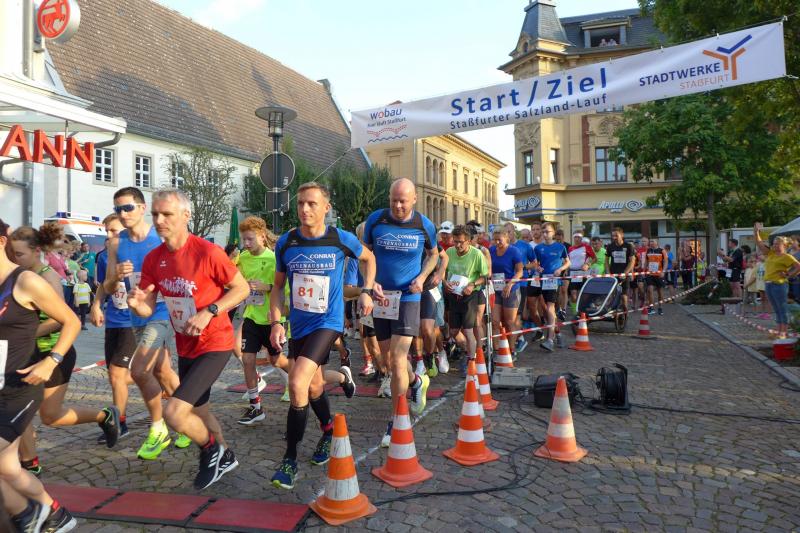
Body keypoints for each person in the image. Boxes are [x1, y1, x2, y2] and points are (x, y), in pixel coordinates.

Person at [128, 189, 249, 490]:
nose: (159, 220)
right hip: (186, 344)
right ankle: (226, 454)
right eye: (155, 214)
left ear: (186, 216)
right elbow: (147, 308)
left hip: (215, 342)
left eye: (166, 214)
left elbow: (242, 289)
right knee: (199, 410)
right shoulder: (154, 258)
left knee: (174, 412)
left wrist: (210, 311)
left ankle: (210, 450)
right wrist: (136, 304)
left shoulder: (208, 252)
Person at [268, 182, 377, 490]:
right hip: (299, 325)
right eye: (300, 203)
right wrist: (276, 322)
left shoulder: (341, 239)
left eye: (312, 203)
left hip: (328, 322)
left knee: (297, 382)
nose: (304, 209)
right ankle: (328, 430)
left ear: (326, 208)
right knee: (314, 386)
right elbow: (277, 287)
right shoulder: (286, 243)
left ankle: (289, 460)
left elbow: (369, 259)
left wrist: (367, 290)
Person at [10, 225, 121, 479]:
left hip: (53, 353)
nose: (15, 259)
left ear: (36, 251)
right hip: (25, 355)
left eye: (20, 254)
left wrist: (24, 333)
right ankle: (29, 464)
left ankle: (104, 415)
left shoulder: (47, 278)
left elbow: (60, 320)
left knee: (51, 416)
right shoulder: (16, 277)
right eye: (12, 254)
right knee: (17, 409)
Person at [0, 218, 81, 531]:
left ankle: (26, 513)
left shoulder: (25, 281)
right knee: (9, 469)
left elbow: (71, 321)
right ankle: (56, 514)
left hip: (19, 388)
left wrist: (52, 360)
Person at [104, 186, 187, 460]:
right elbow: (107, 286)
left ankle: (158, 428)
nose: (123, 214)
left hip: (162, 311)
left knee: (139, 370)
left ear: (141, 208)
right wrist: (116, 276)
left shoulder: (159, 237)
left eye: (127, 207)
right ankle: (186, 419)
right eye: (118, 209)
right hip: (136, 314)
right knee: (162, 371)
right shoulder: (116, 244)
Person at [363, 178, 438, 447]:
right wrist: (370, 283)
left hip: (409, 297)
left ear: (414, 199)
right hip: (382, 297)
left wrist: (423, 277)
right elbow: (364, 255)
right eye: (393, 200)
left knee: (397, 359)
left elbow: (434, 254)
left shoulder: (424, 224)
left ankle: (397, 420)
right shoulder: (375, 220)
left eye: (403, 201)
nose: (397, 206)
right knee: (388, 359)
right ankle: (416, 381)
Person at [234, 216, 285, 425]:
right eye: (244, 239)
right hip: (252, 316)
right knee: (247, 359)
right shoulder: (243, 258)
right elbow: (234, 282)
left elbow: (284, 290)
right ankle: (255, 407)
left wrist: (267, 287)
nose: (246, 244)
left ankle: (303, 379)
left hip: (272, 319)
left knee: (277, 361)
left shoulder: (274, 259)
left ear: (262, 237)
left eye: (250, 239)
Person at [91, 214, 136, 443]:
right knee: (114, 375)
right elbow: (103, 286)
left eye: (114, 231)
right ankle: (150, 376)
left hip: (133, 322)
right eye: (106, 231)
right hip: (114, 320)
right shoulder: (104, 256)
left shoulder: (138, 253)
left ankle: (120, 423)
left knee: (117, 373)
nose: (109, 236)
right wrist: (96, 305)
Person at [444, 225, 487, 371]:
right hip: (453, 295)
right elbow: (443, 272)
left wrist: (472, 284)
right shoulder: (449, 252)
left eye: (461, 242)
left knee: (469, 330)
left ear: (468, 241)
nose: (457, 245)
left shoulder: (477, 254)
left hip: (470, 295)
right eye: (455, 241)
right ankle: (468, 351)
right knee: (453, 331)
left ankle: (471, 361)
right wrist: (445, 282)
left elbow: (485, 276)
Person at [753, 223, 800, 337]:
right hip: (768, 284)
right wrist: (756, 232)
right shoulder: (771, 253)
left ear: (784, 245)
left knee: (782, 308)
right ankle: (779, 331)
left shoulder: (787, 256)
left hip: (779, 285)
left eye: (777, 244)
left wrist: (789, 275)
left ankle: (783, 332)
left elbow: (798, 266)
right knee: (776, 309)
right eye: (774, 243)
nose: (774, 245)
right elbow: (759, 243)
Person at [533, 222, 570, 351]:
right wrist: (538, 268)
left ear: (553, 233)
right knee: (548, 310)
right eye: (543, 232)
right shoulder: (538, 248)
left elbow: (568, 263)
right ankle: (558, 335)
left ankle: (550, 340)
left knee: (550, 307)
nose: (545, 234)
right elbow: (535, 264)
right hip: (543, 281)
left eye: (547, 232)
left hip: (554, 281)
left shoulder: (560, 247)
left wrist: (560, 269)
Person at [490, 228, 524, 357]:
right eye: (495, 240)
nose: (497, 242)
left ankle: (511, 349)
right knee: (495, 321)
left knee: (509, 322)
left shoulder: (514, 251)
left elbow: (520, 271)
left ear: (507, 239)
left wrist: (510, 284)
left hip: (511, 289)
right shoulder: (491, 250)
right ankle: (496, 350)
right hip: (496, 289)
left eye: (499, 240)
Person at [604, 227, 636, 312]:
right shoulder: (610, 246)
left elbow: (632, 261)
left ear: (622, 235)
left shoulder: (628, 246)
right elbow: (606, 260)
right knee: (612, 295)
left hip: (624, 275)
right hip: (613, 274)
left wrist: (625, 273)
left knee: (623, 297)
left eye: (616, 235)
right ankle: (613, 313)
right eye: (613, 236)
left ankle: (625, 314)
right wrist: (608, 272)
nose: (614, 237)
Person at [567, 232, 596, 317]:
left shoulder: (586, 247)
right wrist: (566, 270)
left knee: (582, 295)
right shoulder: (570, 248)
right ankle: (575, 313)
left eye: (579, 237)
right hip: (573, 273)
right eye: (575, 237)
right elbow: (568, 261)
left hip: (583, 273)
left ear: (581, 238)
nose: (577, 239)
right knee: (573, 295)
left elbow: (594, 258)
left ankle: (582, 312)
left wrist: (588, 264)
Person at [644, 238, 668, 315]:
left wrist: (663, 271)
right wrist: (644, 270)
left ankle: (660, 307)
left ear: (657, 242)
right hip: (650, 274)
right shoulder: (648, 250)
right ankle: (651, 308)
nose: (651, 243)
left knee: (659, 292)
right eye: (650, 241)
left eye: (652, 241)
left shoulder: (662, 251)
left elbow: (666, 261)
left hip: (659, 274)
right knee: (650, 290)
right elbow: (646, 261)